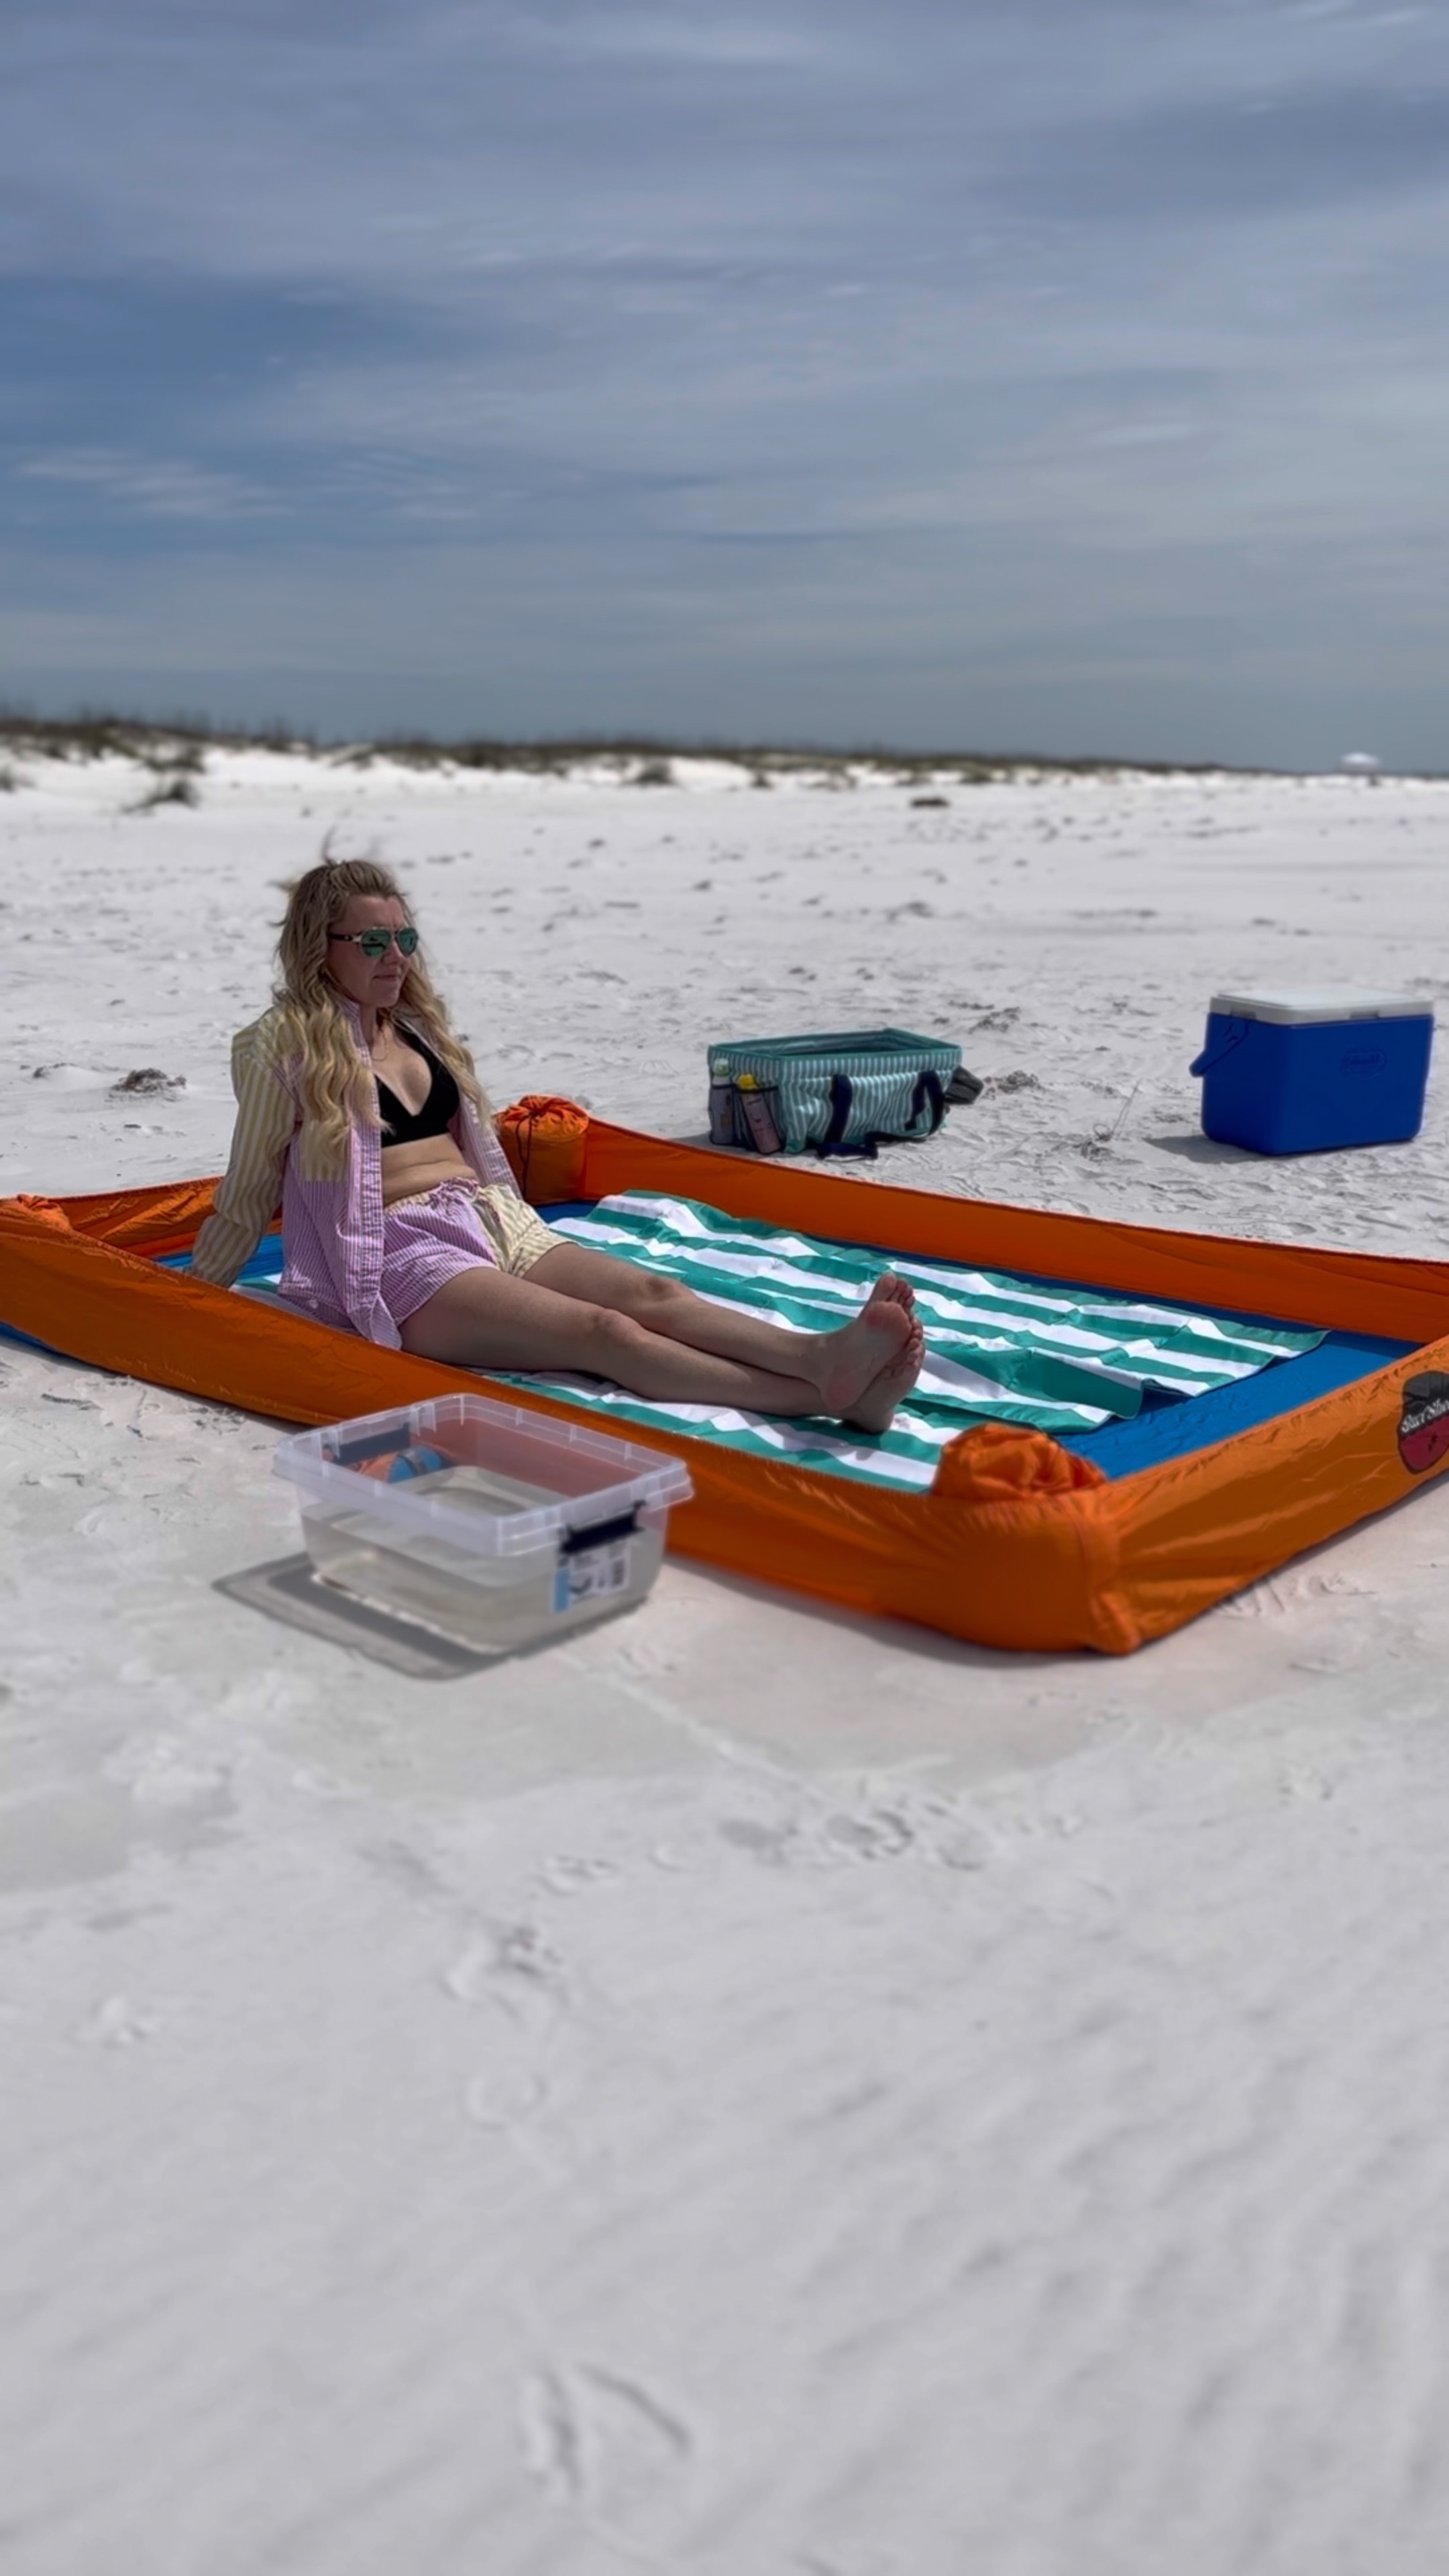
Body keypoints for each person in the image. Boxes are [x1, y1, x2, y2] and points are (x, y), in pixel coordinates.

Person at [191, 857, 924, 1433]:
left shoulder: (417, 1029)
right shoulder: (277, 1046)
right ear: (320, 950)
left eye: (405, 940)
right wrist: (189, 1295)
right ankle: (818, 1401)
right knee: (606, 1334)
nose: (396, 959)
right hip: (397, 1256)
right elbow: (252, 1182)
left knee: (653, 1294)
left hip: (491, 1221)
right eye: (374, 943)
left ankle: (821, 1358)